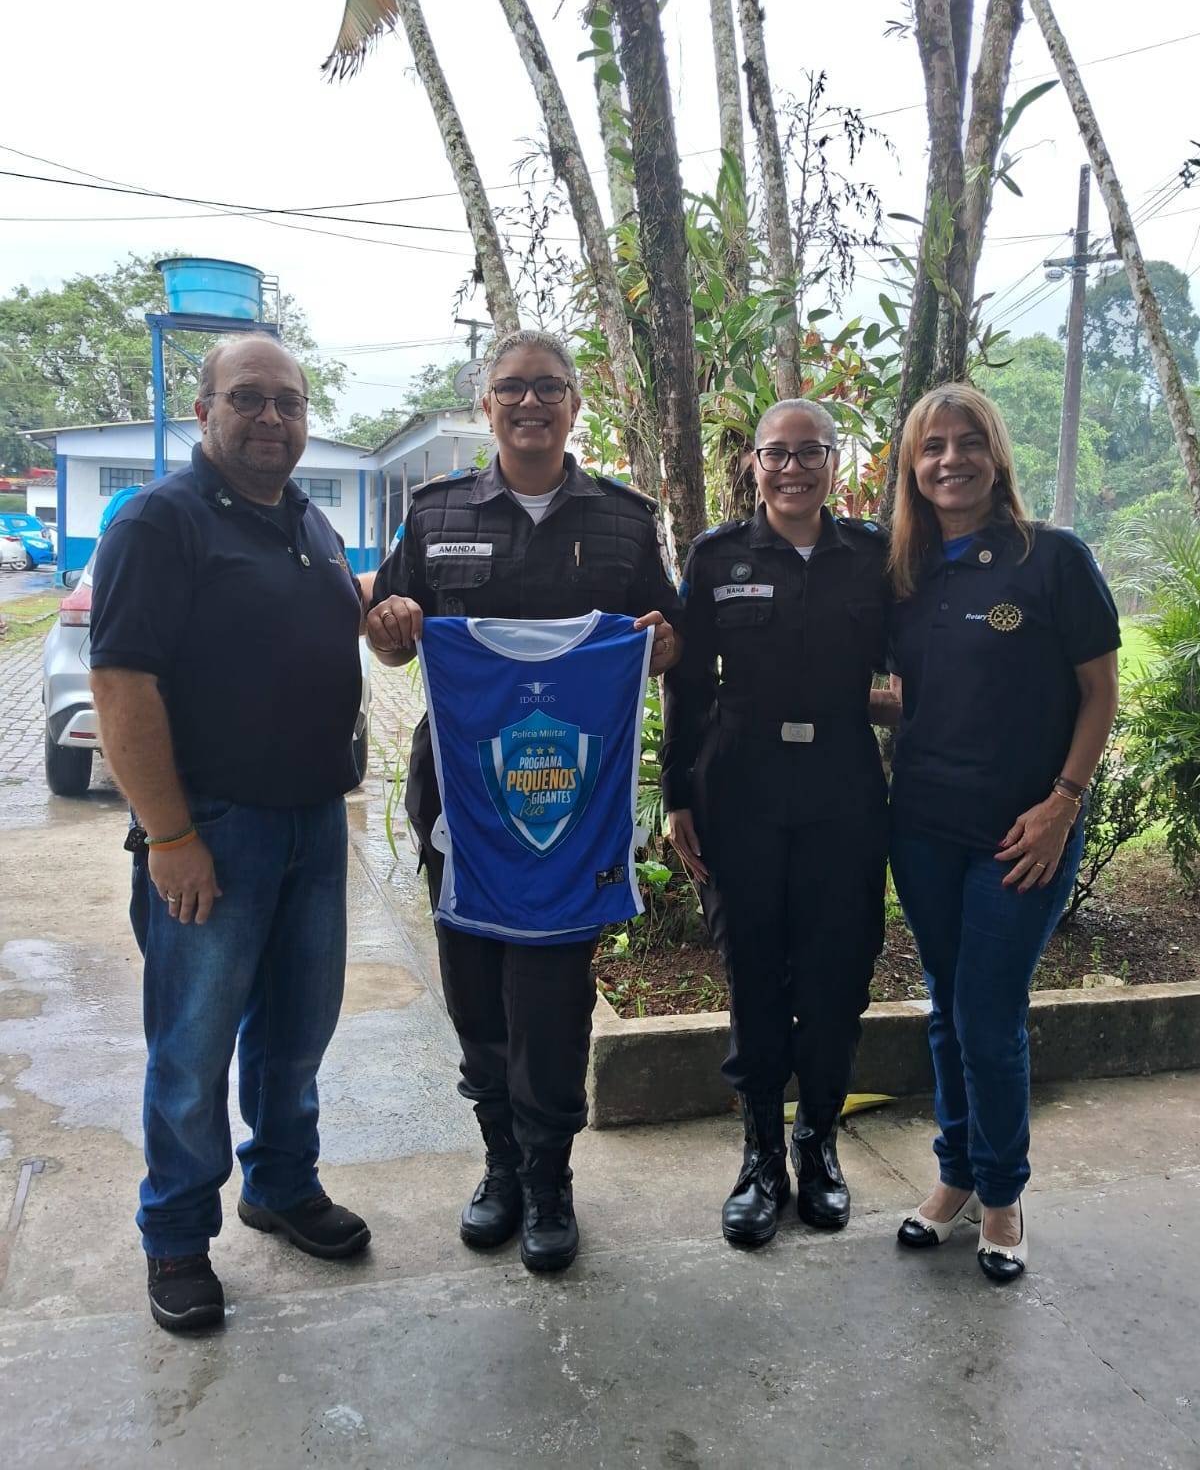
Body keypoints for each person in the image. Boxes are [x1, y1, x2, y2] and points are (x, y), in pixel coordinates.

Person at [366, 329, 681, 1274]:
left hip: (571, 806)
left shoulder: (626, 521)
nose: (530, 403)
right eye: (511, 389)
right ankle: (499, 1162)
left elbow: (667, 637)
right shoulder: (436, 512)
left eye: (548, 388)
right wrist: (388, 628)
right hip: (460, 800)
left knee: (553, 993)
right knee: (472, 989)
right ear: (488, 404)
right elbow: (388, 635)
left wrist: (658, 645)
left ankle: (549, 1176)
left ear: (575, 404)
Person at [89, 335, 371, 1334]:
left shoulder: (309, 521)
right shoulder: (159, 522)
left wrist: (383, 612)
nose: (271, 419)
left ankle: (282, 1183)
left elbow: (325, 626)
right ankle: (174, 1234)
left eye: (288, 403)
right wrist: (169, 835)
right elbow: (122, 684)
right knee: (193, 1046)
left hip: (312, 824)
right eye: (248, 399)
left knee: (298, 1031)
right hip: (212, 830)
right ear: (205, 408)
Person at [884, 383, 1120, 1283]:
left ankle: (1002, 1193)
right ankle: (952, 1179)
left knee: (988, 1011)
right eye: (932, 446)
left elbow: (1098, 694)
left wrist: (1064, 802)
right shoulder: (905, 572)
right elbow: (916, 695)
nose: (951, 460)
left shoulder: (1053, 559)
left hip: (1025, 830)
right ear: (913, 465)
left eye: (968, 442)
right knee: (946, 1007)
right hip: (926, 826)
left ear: (997, 454)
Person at [663, 400, 892, 1248]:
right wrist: (677, 793)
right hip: (741, 786)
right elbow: (685, 685)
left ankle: (818, 1145)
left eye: (811, 453)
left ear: (835, 460)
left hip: (841, 785)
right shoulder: (717, 556)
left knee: (837, 976)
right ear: (753, 464)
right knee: (753, 972)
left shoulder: (873, 556)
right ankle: (761, 1154)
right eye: (776, 454)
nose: (793, 468)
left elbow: (913, 666)